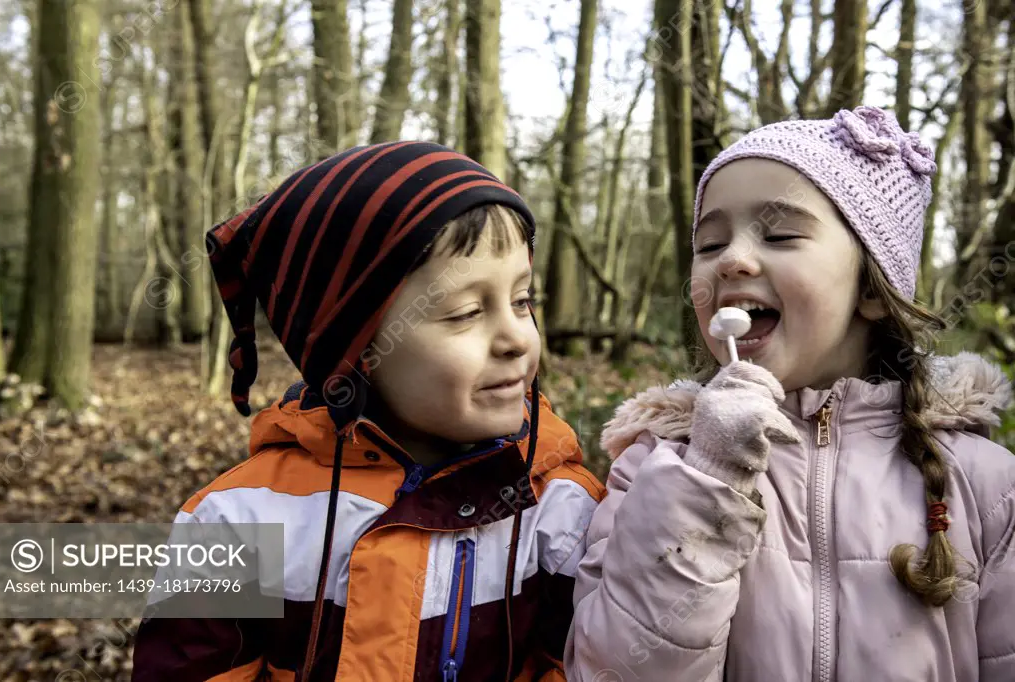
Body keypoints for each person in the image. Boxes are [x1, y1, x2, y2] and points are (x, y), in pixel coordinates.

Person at [564, 106, 1015, 680]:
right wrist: (706, 483)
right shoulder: (656, 466)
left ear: (872, 289)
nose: (731, 259)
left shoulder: (987, 485)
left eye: (779, 234)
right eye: (708, 245)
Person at [131, 141, 605, 681]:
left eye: (522, 301)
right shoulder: (239, 519)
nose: (517, 338)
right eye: (467, 311)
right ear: (354, 348)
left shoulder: (560, 511)